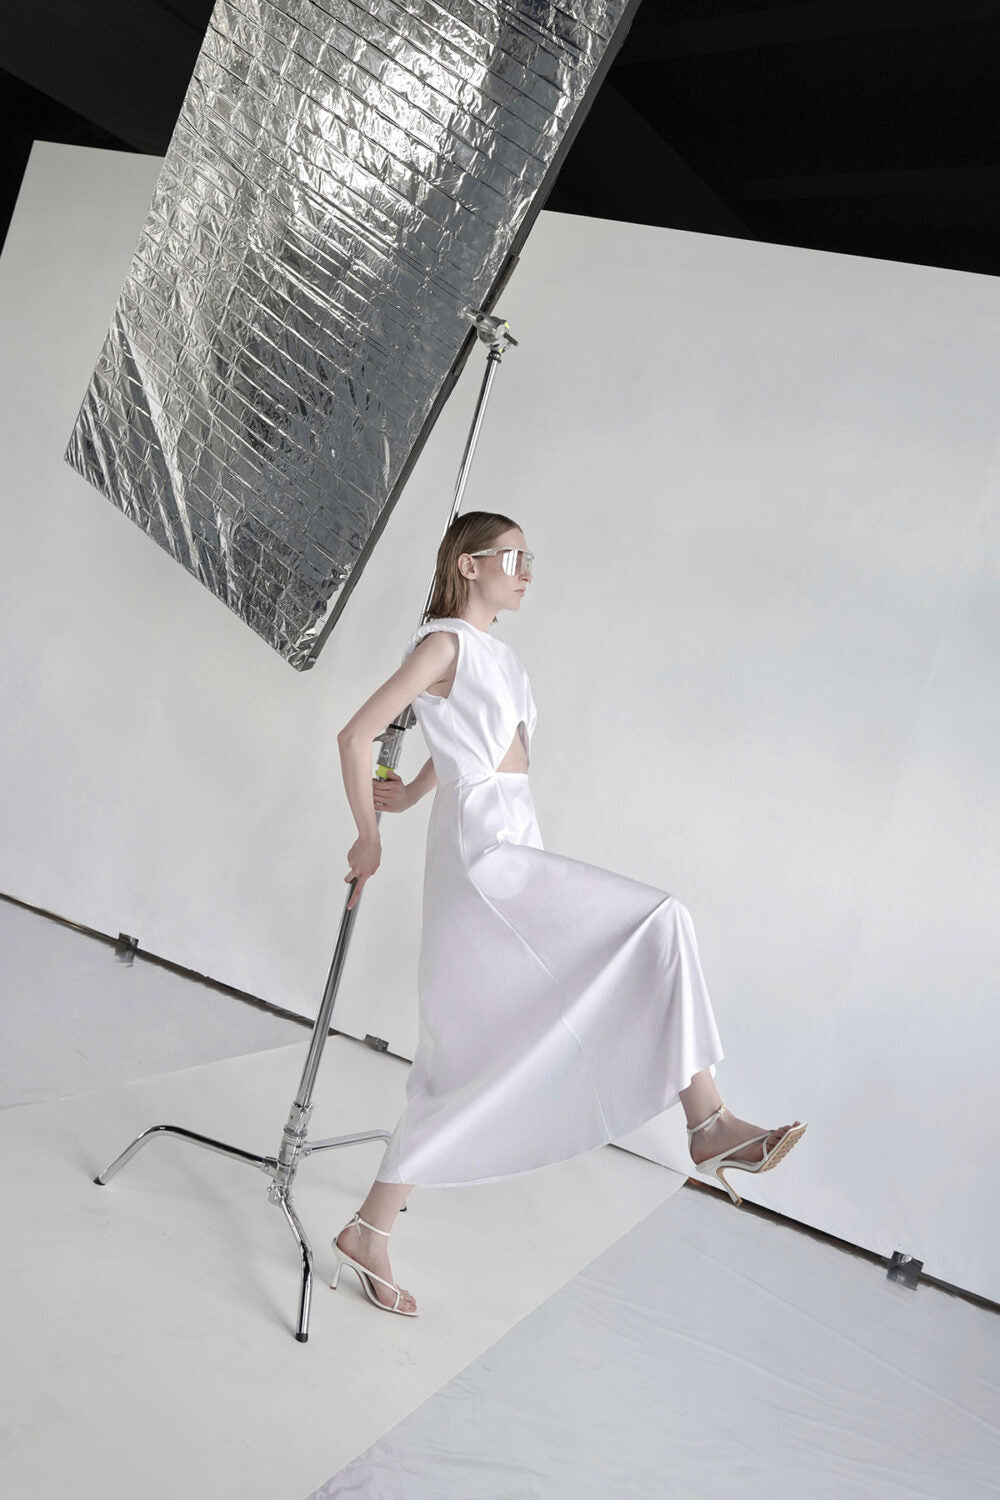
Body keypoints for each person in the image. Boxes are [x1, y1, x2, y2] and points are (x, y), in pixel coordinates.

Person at [331, 511, 806, 1317]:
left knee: (475, 1050)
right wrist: (369, 836)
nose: (525, 571)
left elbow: (469, 745)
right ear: (470, 565)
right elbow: (355, 735)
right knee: (661, 921)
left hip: (517, 839)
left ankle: (368, 1229)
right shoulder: (442, 644)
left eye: (530, 559)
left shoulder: (505, 660)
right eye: (511, 557)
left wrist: (410, 793)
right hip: (485, 862)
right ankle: (708, 1122)